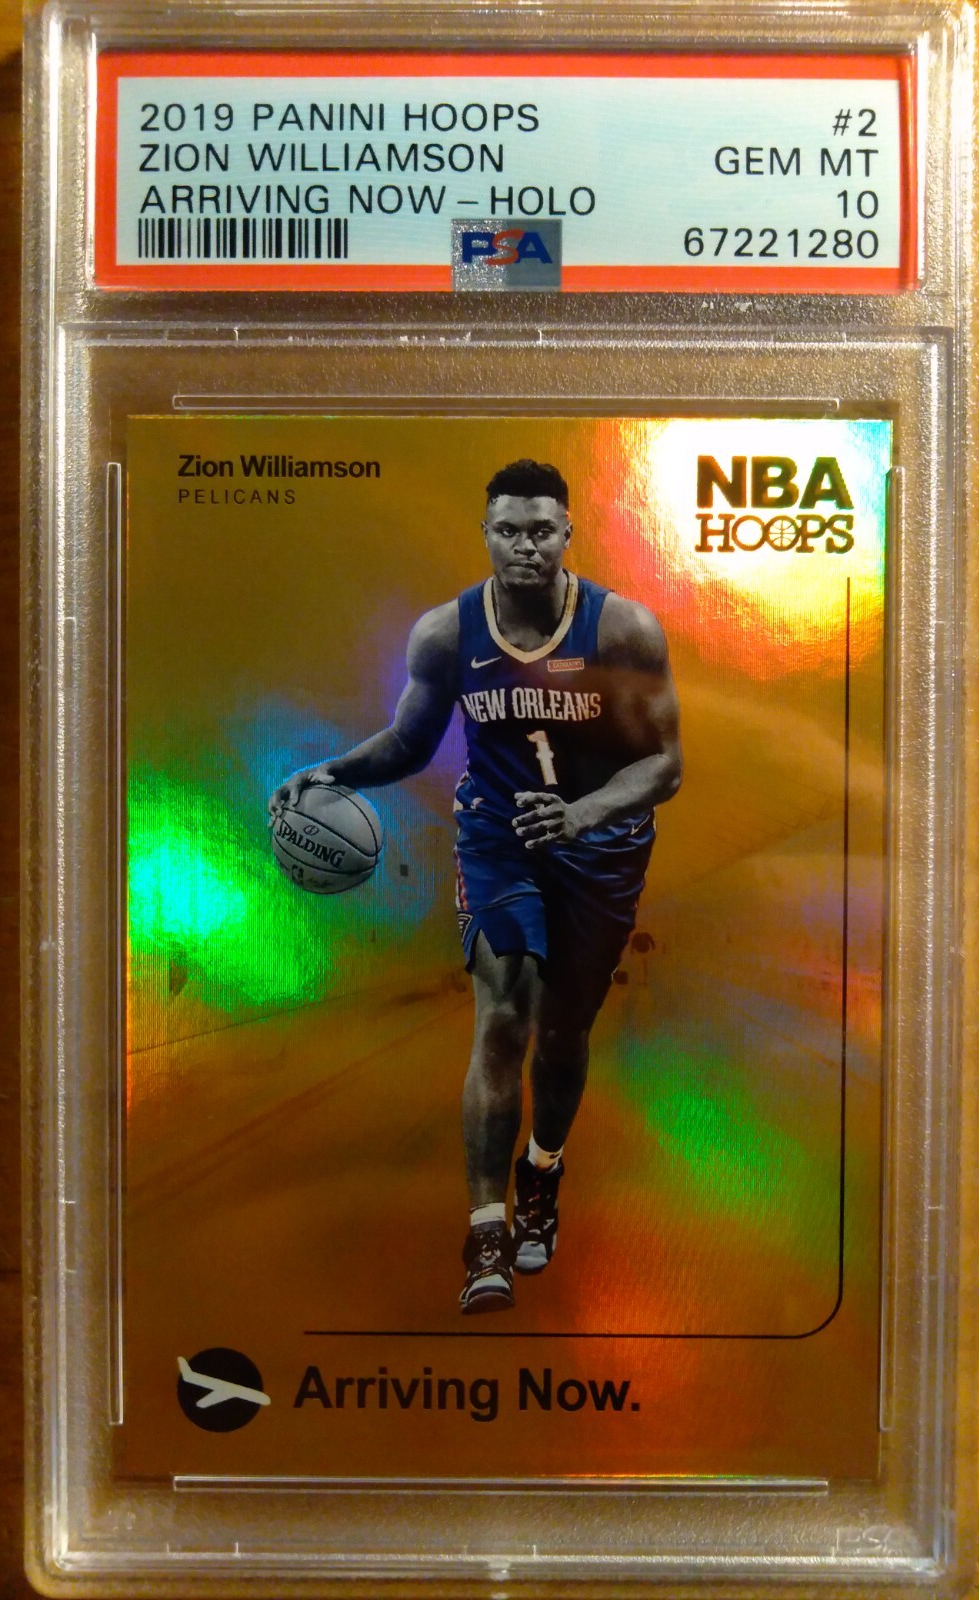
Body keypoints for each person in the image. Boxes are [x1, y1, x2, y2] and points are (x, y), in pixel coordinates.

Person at [270, 459, 682, 1313]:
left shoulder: (623, 629)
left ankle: (543, 1172)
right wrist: (332, 770)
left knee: (562, 1035)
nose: (525, 545)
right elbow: (409, 743)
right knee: (503, 1017)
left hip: (600, 848)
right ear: (486, 533)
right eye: (508, 530)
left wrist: (581, 814)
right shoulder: (446, 634)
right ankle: (487, 1232)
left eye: (541, 530)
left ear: (567, 534)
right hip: (499, 840)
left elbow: (664, 765)